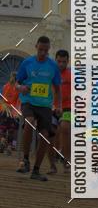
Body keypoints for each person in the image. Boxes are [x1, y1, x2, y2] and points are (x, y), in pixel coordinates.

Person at [15, 36, 62, 181]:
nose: (43, 53)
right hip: (28, 101)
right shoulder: (27, 62)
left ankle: (36, 170)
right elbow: (16, 83)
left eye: (46, 51)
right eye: (40, 50)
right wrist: (21, 87)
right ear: (36, 47)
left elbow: (57, 88)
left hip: (45, 106)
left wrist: (59, 105)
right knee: (28, 122)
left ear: (48, 50)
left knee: (45, 136)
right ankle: (26, 158)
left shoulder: (53, 66)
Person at [54, 50, 72, 173]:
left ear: (68, 61)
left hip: (68, 107)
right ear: (55, 60)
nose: (61, 64)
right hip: (51, 107)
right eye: (59, 61)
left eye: (64, 62)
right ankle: (55, 156)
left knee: (65, 128)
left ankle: (67, 160)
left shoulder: (72, 75)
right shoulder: (50, 73)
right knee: (53, 133)